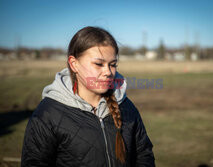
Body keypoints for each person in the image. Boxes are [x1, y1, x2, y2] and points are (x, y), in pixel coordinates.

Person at [21, 26, 155, 167]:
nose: (108, 72)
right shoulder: (48, 114)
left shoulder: (126, 107)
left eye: (113, 64)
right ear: (74, 64)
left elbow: (144, 155)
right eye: (98, 64)